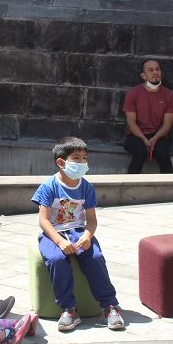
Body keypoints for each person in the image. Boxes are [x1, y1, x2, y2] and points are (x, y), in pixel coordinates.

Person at [32, 137, 125, 332]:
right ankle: (68, 309)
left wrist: (88, 236)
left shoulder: (86, 187)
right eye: (77, 158)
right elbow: (43, 220)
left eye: (85, 157)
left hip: (78, 231)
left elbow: (91, 219)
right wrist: (58, 241)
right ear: (61, 162)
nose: (82, 162)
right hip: (52, 233)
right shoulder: (49, 186)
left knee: (95, 257)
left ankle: (110, 306)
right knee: (57, 260)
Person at [122, 59, 173, 173]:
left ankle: (168, 187)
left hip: (159, 135)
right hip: (135, 135)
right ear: (143, 75)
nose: (155, 72)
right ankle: (130, 186)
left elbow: (167, 124)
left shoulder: (169, 95)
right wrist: (144, 139)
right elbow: (131, 123)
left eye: (157, 69)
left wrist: (155, 138)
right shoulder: (132, 93)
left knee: (163, 154)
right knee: (140, 153)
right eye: (150, 70)